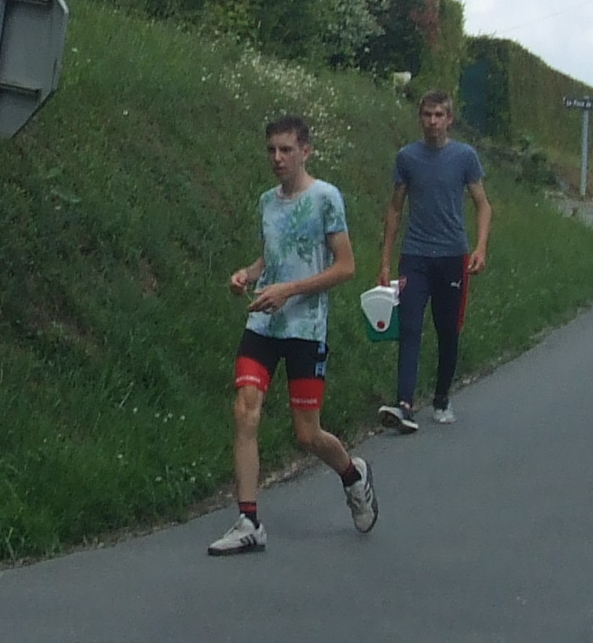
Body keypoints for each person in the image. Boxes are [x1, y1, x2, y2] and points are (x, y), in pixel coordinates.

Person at [208, 115, 378, 555]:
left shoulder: (326, 198)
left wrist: (289, 290)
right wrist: (248, 274)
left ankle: (353, 475)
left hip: (305, 327)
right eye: (271, 150)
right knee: (245, 411)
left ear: (306, 151)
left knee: (307, 434)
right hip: (264, 323)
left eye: (286, 149)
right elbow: (273, 256)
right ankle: (249, 521)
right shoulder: (267, 201)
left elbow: (346, 267)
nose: (277, 158)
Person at [378, 90, 493, 432]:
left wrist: (480, 247)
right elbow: (395, 209)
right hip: (415, 255)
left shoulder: (464, 157)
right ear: (420, 118)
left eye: (439, 115)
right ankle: (404, 404)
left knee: (447, 330)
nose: (432, 122)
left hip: (452, 256)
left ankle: (442, 398)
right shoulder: (407, 157)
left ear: (449, 119)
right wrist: (385, 261)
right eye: (427, 115)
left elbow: (482, 204)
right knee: (410, 327)